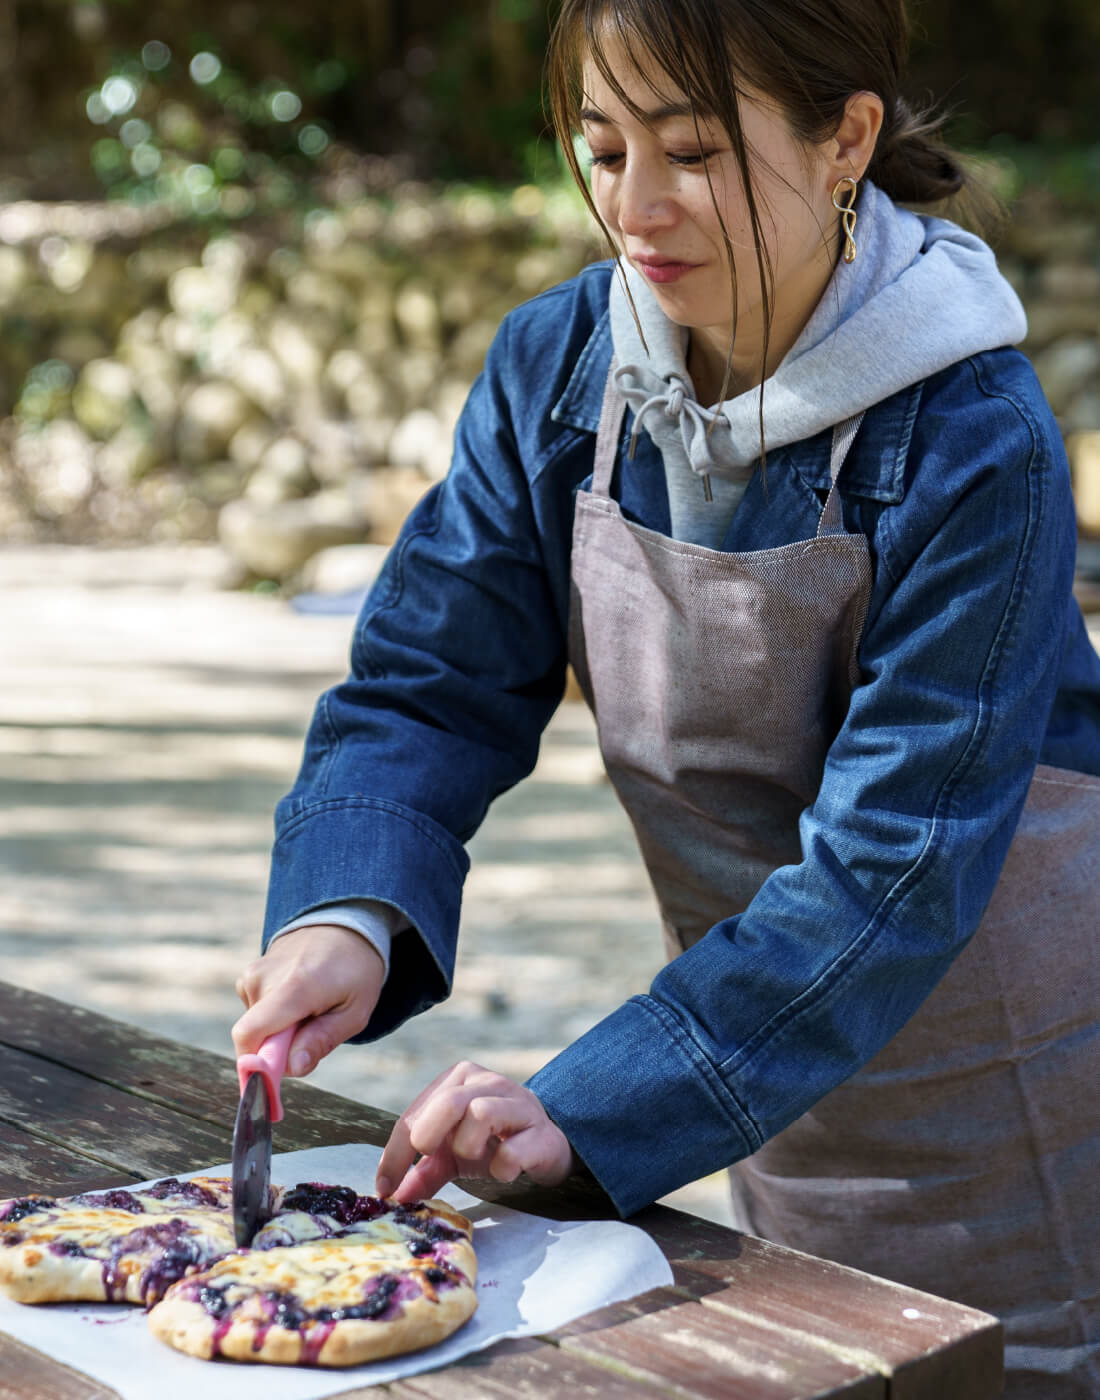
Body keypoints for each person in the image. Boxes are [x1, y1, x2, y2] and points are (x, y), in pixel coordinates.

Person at [232, 2, 1100, 1394]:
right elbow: (428, 689)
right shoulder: (559, 373)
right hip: (758, 1049)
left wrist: (594, 1104)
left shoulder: (975, 438)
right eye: (601, 144)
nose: (636, 204)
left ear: (847, 140)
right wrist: (350, 912)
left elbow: (895, 870)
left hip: (1019, 1082)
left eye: (691, 150)